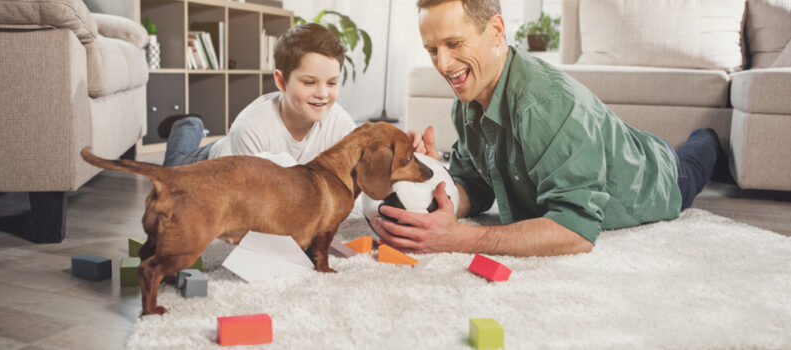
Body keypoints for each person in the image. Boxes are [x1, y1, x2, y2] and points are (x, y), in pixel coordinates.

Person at [373, 0, 722, 257]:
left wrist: (459, 238)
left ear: (496, 32)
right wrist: (435, 180)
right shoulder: (467, 102)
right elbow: (476, 187)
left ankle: (710, 138)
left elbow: (576, 230)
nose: (443, 64)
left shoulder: (545, 104)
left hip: (658, 176)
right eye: (432, 50)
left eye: (454, 43)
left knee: (697, 155)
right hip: (610, 143)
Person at [159, 23, 356, 167]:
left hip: (239, 151)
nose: (322, 94)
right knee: (173, 172)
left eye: (332, 83)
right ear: (280, 81)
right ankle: (188, 124)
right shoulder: (251, 128)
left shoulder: (341, 125)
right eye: (309, 82)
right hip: (215, 165)